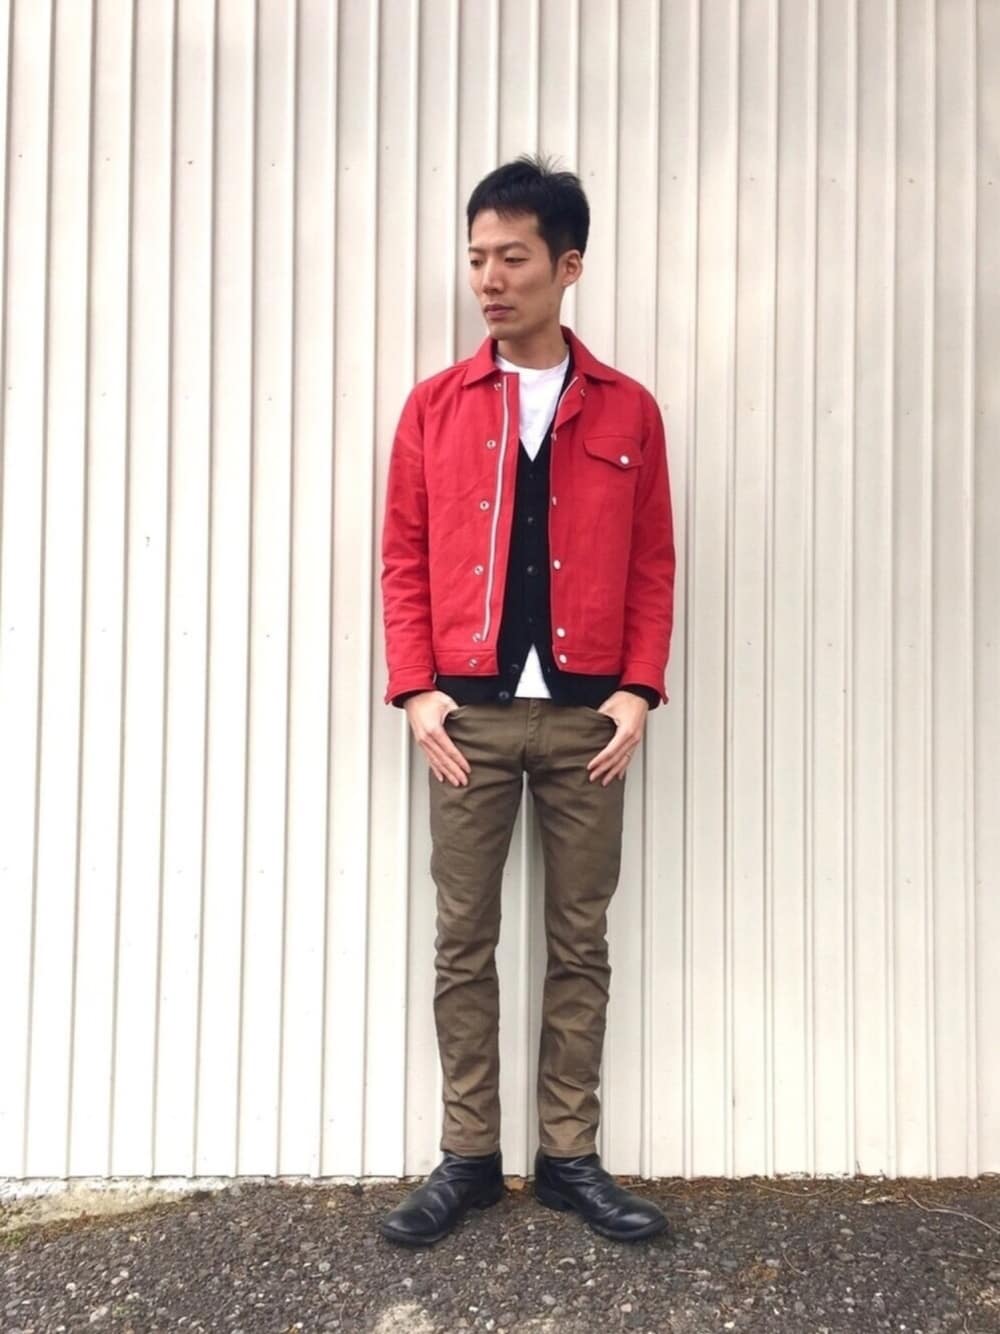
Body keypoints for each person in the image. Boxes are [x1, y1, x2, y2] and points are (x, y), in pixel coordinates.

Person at [378, 155, 676, 1246]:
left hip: (591, 720)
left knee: (578, 940)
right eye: (476, 259)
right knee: (464, 940)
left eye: (511, 257)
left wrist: (638, 689)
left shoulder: (628, 409)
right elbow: (403, 555)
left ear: (568, 265)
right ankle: (467, 1157)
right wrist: (416, 689)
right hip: (468, 718)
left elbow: (653, 561)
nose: (488, 280)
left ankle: (567, 1157)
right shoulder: (436, 407)